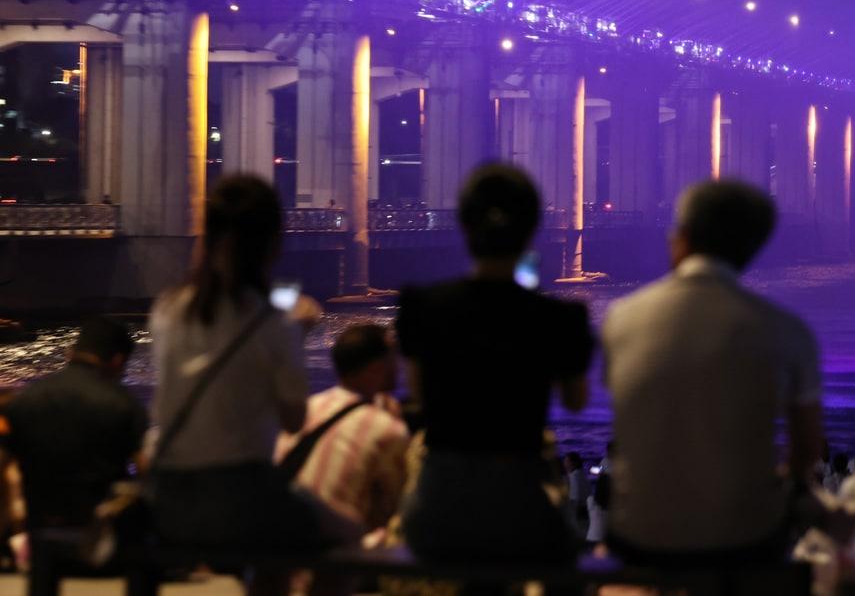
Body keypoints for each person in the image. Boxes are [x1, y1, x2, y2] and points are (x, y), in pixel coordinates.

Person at [603, 179, 824, 564]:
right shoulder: (787, 331)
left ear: (683, 238)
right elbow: (807, 450)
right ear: (751, 249)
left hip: (639, 535)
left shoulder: (620, 318)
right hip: (744, 538)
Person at [396, 163, 593, 562]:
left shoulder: (423, 307)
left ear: (464, 227)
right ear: (532, 230)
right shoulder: (560, 319)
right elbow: (575, 401)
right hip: (521, 503)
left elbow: (418, 392)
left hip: (440, 505)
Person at [149, 175, 357, 550]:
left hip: (169, 495)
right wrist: (298, 334)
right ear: (273, 245)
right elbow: (294, 420)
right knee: (348, 533)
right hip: (241, 497)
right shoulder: (275, 324)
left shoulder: (167, 309)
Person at [4, 317, 146, 531]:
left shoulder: (24, 399)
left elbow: (4, 462)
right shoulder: (123, 403)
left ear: (69, 353)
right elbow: (144, 468)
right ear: (118, 362)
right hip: (101, 528)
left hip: (40, 525)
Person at [273, 324, 409, 535]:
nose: (399, 363)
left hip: (277, 532)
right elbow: (398, 508)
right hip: (331, 544)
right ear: (376, 366)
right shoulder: (387, 428)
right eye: (392, 356)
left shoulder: (308, 408)